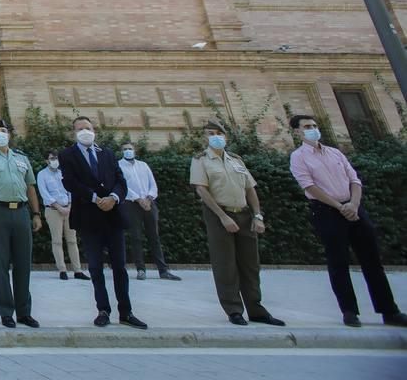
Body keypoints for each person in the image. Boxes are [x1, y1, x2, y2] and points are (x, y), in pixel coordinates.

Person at [288, 114, 407, 328]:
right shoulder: (298, 157)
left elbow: (354, 178)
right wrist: (339, 206)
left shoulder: (334, 153)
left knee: (373, 262)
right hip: (327, 211)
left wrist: (353, 204)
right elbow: (309, 186)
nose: (313, 129)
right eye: (307, 126)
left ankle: (389, 310)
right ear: (297, 132)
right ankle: (349, 311)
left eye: (314, 125)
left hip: (354, 208)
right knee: (338, 262)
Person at [190, 120, 284, 327]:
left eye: (218, 133)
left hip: (243, 214)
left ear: (225, 137)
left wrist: (257, 215)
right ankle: (234, 309)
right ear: (205, 138)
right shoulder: (201, 160)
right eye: (210, 133)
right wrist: (223, 217)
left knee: (250, 264)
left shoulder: (236, 160)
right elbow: (201, 189)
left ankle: (256, 309)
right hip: (219, 214)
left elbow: (250, 188)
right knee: (225, 264)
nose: (215, 136)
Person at [59, 117, 147, 329]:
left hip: (113, 215)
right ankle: (103, 309)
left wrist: (114, 198)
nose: (85, 132)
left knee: (120, 267)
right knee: (96, 267)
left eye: (87, 128)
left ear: (94, 130)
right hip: (89, 217)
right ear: (74, 133)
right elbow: (70, 182)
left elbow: (120, 181)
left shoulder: (106, 153)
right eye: (80, 129)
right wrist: (94, 198)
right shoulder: (67, 155)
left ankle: (126, 311)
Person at [0, 119, 41, 328]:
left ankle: (24, 312)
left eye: (3, 130)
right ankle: (5, 312)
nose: (0, 133)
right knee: (1, 264)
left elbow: (30, 186)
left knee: (23, 263)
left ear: (9, 134)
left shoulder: (21, 157)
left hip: (20, 211)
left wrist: (36, 213)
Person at [118, 142, 180, 281]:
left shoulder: (143, 165)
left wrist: (149, 198)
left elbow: (153, 184)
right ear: (122, 151)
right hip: (131, 204)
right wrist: (139, 199)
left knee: (154, 237)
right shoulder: (119, 166)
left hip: (149, 203)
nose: (128, 151)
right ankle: (141, 269)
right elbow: (123, 186)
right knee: (136, 237)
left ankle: (163, 270)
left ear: (135, 150)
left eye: (130, 149)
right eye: (125, 149)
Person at [36, 151, 88, 281]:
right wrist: (59, 207)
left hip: (69, 209)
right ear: (46, 161)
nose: (55, 160)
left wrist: (69, 206)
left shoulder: (63, 172)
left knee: (72, 240)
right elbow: (44, 193)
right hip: (53, 210)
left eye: (56, 158)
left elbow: (71, 190)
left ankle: (77, 270)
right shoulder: (42, 175)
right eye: (52, 158)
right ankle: (62, 269)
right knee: (57, 240)